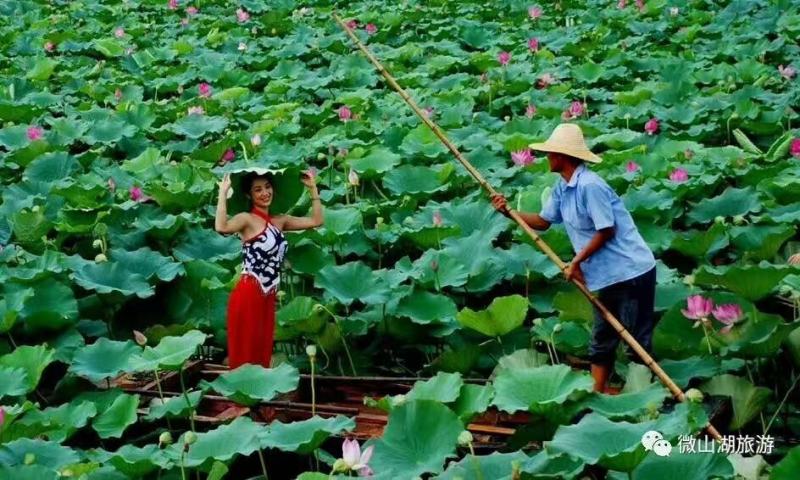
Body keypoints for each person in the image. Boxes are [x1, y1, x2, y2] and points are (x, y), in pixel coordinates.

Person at [491, 123, 656, 394]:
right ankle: (597, 396)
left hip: (631, 270)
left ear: (562, 156)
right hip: (605, 275)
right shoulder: (562, 186)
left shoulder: (591, 186)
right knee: (602, 339)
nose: (546, 158)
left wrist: (576, 262)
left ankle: (646, 399)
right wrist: (508, 212)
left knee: (637, 344)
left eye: (550, 153)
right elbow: (543, 222)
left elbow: (606, 230)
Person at [215, 170, 323, 369]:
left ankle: (257, 397)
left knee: (262, 350)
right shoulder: (245, 219)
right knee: (247, 351)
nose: (265, 193)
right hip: (249, 291)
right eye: (258, 190)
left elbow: (316, 221)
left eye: (267, 187)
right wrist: (223, 193)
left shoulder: (279, 221)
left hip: (268, 293)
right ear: (249, 195)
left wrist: (313, 189)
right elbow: (221, 226)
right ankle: (241, 397)